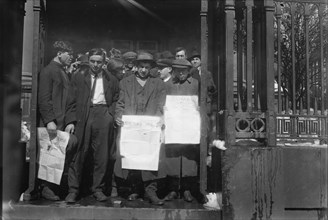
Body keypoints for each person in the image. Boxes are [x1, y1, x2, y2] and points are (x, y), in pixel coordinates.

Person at [64, 48, 120, 203]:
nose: (95, 65)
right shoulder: (78, 77)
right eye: (93, 61)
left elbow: (116, 98)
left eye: (99, 62)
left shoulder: (111, 79)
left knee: (101, 155)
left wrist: (110, 114)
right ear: (88, 61)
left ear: (104, 62)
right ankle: (73, 190)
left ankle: (98, 189)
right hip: (84, 115)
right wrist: (70, 121)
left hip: (103, 114)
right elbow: (70, 101)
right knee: (79, 152)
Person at [114, 52, 166, 205]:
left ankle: (151, 191)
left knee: (151, 156)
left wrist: (157, 119)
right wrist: (119, 116)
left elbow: (161, 105)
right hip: (132, 127)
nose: (143, 70)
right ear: (136, 67)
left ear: (151, 68)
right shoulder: (125, 82)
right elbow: (120, 103)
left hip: (150, 128)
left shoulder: (158, 84)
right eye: (141, 67)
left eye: (147, 67)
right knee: (133, 155)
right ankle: (136, 189)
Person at [38, 40, 78, 201]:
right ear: (59, 53)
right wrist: (49, 120)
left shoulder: (62, 71)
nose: (71, 57)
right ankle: (46, 187)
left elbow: (69, 99)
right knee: (50, 153)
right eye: (69, 54)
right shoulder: (48, 71)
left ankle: (53, 186)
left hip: (62, 121)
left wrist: (69, 121)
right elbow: (44, 98)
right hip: (53, 122)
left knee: (60, 151)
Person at [163, 59, 200, 203]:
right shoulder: (167, 85)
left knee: (188, 158)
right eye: (178, 71)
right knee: (173, 157)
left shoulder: (196, 84)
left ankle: (187, 189)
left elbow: (202, 104)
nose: (181, 73)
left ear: (189, 71)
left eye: (183, 71)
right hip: (173, 128)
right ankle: (172, 190)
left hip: (189, 128)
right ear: (173, 71)